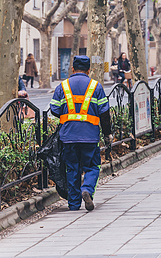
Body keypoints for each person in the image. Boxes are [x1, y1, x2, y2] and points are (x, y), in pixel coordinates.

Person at [50, 55, 113, 211]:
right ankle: (87, 189)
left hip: (68, 136)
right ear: (89, 70)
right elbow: (104, 113)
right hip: (90, 136)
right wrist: (107, 134)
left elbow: (54, 109)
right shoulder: (95, 87)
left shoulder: (62, 87)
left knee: (72, 168)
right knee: (92, 166)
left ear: (72, 69)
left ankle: (73, 204)